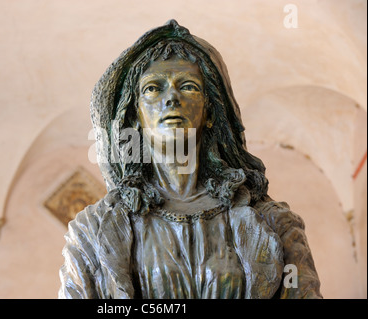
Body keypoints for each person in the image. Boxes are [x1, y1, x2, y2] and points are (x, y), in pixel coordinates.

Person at [59, 20, 322, 299]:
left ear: (210, 113)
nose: (171, 97)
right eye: (153, 88)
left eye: (187, 86)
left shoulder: (274, 223)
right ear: (134, 117)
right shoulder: (94, 230)